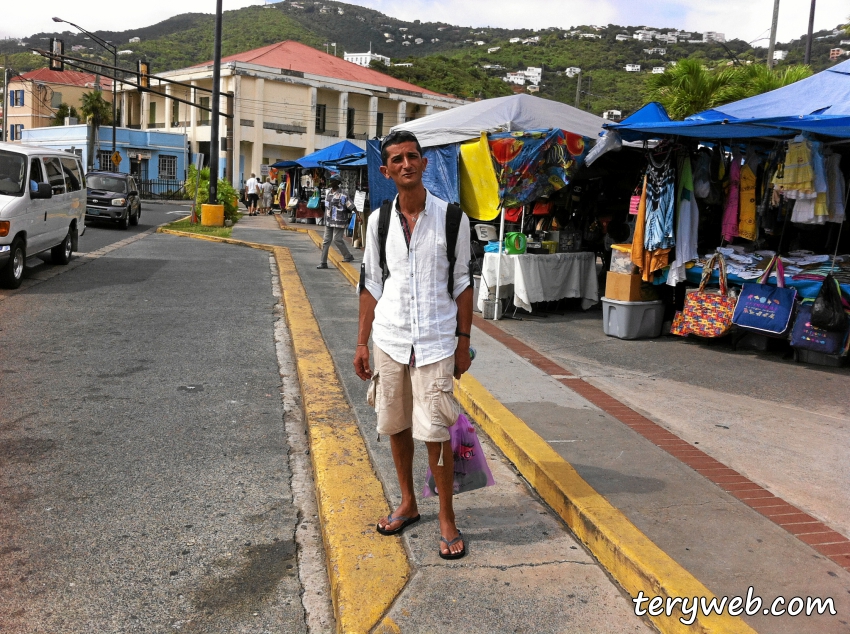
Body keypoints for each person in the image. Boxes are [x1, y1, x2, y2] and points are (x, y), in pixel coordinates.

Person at [353, 130, 472, 560]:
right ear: (386, 171)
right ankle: (408, 502)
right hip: (389, 338)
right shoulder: (377, 221)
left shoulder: (452, 218)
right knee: (397, 424)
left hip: (437, 341)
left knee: (436, 432)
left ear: (423, 164)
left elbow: (462, 283)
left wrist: (464, 342)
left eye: (412, 157)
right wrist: (361, 343)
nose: (406, 164)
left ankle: (446, 516)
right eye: (397, 159)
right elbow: (370, 283)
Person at [317, 175, 355, 269]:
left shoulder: (343, 194)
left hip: (339, 219)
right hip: (329, 219)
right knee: (326, 241)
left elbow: (350, 205)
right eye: (330, 181)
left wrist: (357, 214)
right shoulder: (328, 193)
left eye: (332, 181)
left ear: (337, 182)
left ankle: (347, 256)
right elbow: (326, 205)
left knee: (337, 239)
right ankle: (323, 263)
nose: (330, 183)